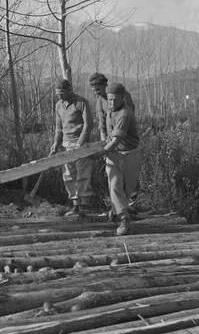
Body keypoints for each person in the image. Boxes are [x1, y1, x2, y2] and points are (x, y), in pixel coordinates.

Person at [89, 83, 141, 236]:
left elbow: (117, 140)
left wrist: (102, 152)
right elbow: (106, 131)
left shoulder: (125, 114)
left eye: (114, 99)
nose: (111, 103)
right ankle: (125, 220)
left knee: (127, 189)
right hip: (113, 155)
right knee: (115, 184)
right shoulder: (110, 111)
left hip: (130, 154)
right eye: (109, 99)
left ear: (122, 98)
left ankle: (116, 210)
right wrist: (104, 142)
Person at [49, 78, 94, 217]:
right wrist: (56, 143)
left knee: (83, 174)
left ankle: (85, 205)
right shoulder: (58, 105)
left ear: (69, 90)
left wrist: (80, 143)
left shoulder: (81, 102)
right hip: (66, 145)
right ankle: (75, 205)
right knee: (69, 176)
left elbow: (88, 125)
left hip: (81, 145)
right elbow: (58, 127)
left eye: (62, 93)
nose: (60, 96)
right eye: (57, 94)